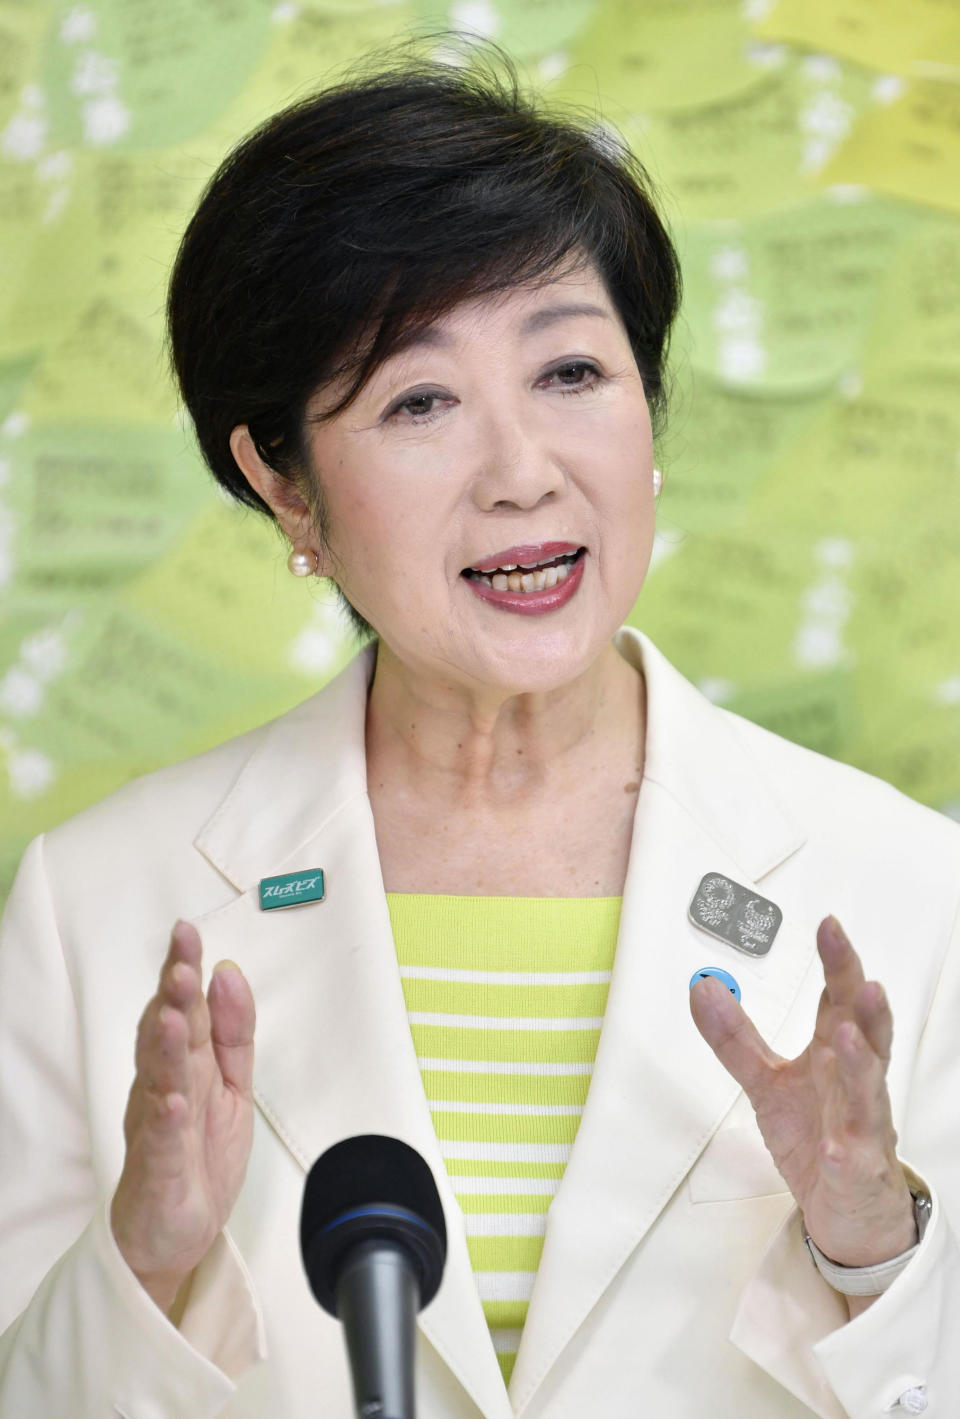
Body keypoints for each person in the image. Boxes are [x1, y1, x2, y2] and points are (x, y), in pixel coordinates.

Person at [1, 46, 958, 1419]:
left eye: (571, 372)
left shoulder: (908, 894)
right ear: (285, 485)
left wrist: (874, 1245)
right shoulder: (94, 913)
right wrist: (144, 1269)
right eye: (420, 402)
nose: (522, 472)